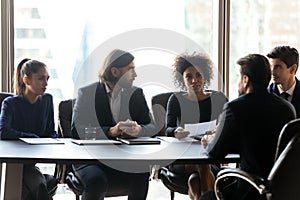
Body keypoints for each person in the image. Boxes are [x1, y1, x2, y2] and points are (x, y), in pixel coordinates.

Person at [202, 54, 296, 200]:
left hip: (250, 190)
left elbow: (215, 154)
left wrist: (209, 141)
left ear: (245, 80)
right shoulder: (287, 108)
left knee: (206, 197)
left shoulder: (234, 108)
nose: (237, 82)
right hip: (283, 191)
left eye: (238, 77)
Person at [71, 49, 153, 200]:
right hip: (91, 160)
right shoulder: (87, 93)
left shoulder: (136, 94)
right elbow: (76, 130)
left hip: (123, 158)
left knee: (141, 172)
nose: (135, 75)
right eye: (131, 69)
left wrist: (139, 130)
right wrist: (109, 131)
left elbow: (152, 126)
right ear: (115, 71)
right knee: (96, 181)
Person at [165, 52, 228, 199]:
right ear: (183, 79)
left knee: (194, 181)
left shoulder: (218, 99)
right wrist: (176, 131)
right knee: (202, 164)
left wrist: (217, 132)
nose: (194, 80)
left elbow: (228, 126)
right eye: (189, 76)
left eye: (198, 75)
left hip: (210, 154)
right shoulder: (175, 100)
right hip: (183, 159)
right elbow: (167, 129)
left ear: (205, 76)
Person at [0, 58, 57, 200]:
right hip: (13, 163)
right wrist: (32, 137)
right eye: (41, 79)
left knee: (31, 189)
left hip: (31, 162)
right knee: (37, 187)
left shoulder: (47, 100)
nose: (46, 84)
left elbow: (50, 132)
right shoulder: (10, 103)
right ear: (27, 80)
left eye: (47, 79)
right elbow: (3, 131)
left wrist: (54, 141)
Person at [267, 45, 300, 117]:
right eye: (270, 67)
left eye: (278, 67)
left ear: (293, 69)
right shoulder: (265, 95)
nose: (272, 72)